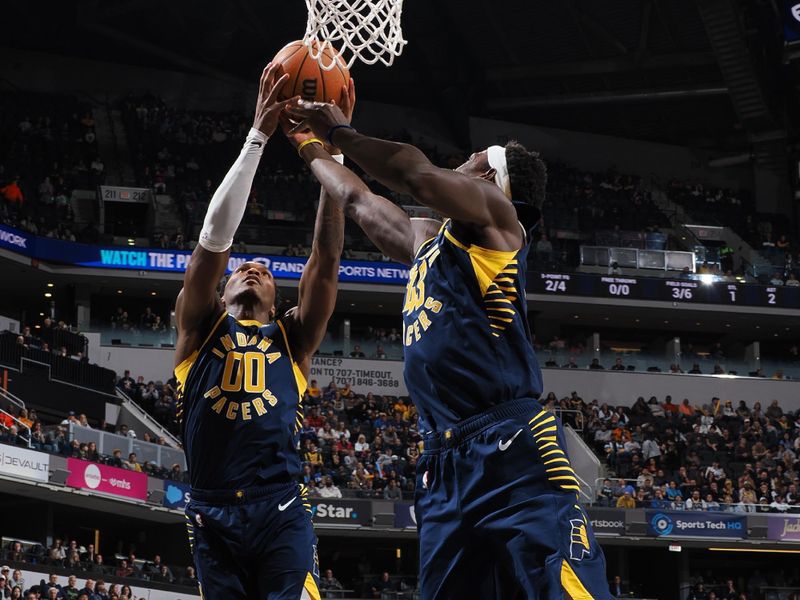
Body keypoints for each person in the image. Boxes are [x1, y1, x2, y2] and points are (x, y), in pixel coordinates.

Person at [288, 91, 611, 598]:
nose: (460, 163)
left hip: (511, 449)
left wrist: (339, 132)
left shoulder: (498, 219)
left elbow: (415, 175)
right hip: (442, 461)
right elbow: (357, 200)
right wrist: (310, 145)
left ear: (485, 180)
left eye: (473, 159)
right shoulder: (427, 239)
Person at [173, 63, 353, 599]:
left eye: (268, 272)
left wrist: (333, 155)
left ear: (279, 301)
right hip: (210, 511)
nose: (253, 269)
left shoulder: (293, 339)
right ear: (221, 291)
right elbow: (213, 241)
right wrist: (257, 138)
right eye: (242, 269)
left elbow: (325, 257)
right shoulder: (197, 327)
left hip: (279, 508)